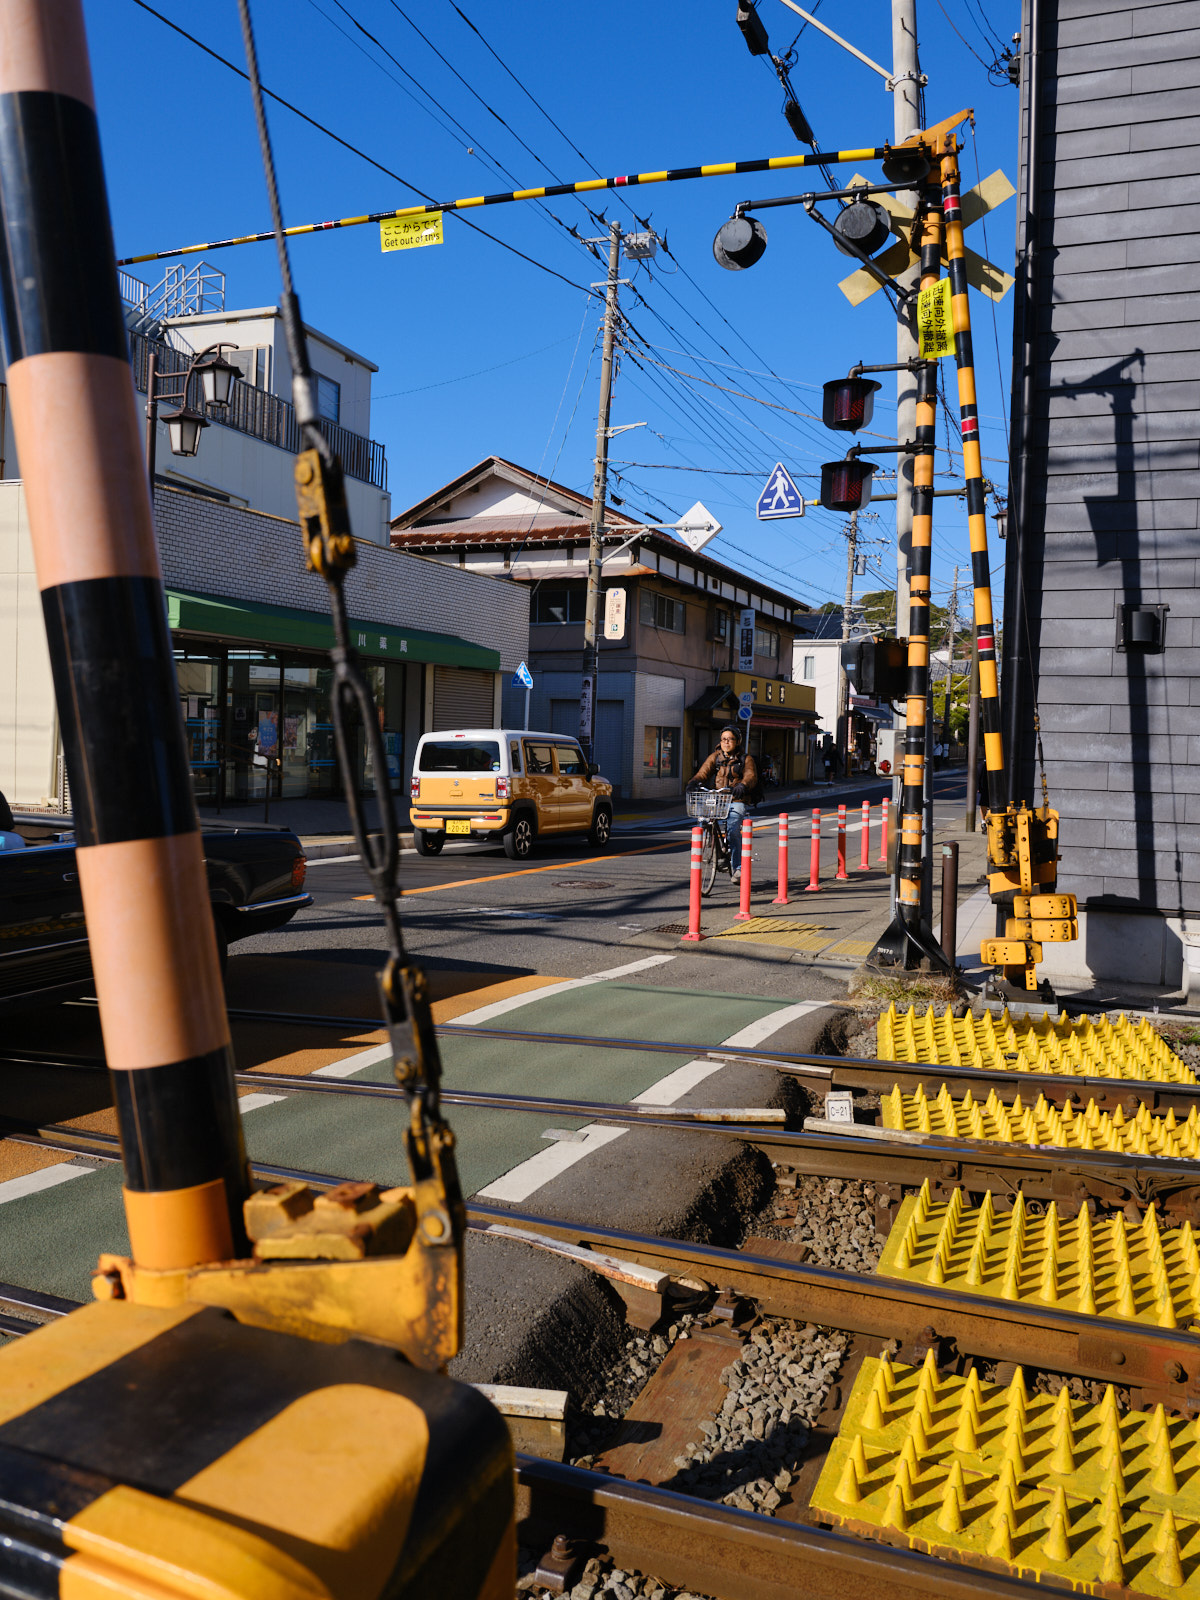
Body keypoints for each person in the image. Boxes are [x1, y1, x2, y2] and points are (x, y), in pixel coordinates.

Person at [687, 727, 757, 882]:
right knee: (705, 821)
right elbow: (703, 772)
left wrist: (742, 786)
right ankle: (717, 854)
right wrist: (694, 782)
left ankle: (738, 868)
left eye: (730, 739)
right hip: (718, 799)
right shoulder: (715, 757)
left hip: (736, 800)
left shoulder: (745, 759)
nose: (726, 742)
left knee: (732, 829)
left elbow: (750, 776)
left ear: (737, 741)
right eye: (723, 739)